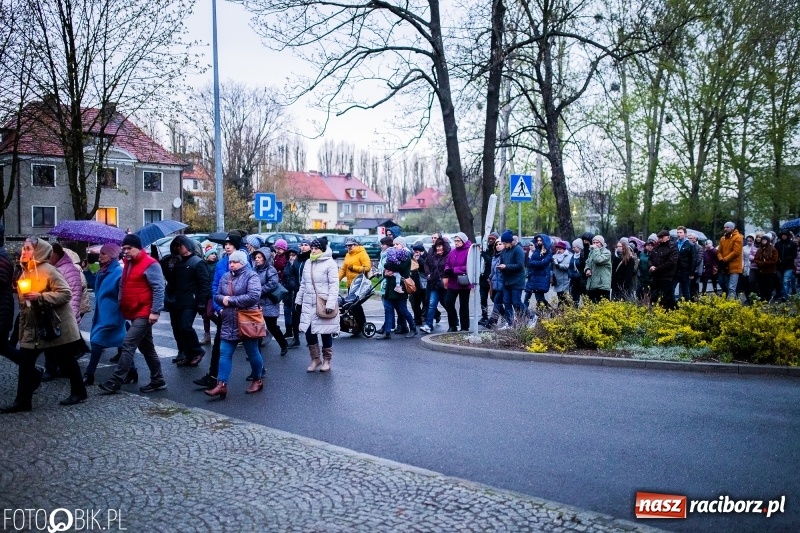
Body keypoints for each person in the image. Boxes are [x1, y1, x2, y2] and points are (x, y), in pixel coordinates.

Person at [1, 237, 87, 413]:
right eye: (23, 248)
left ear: (38, 251)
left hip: (55, 324)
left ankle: (79, 392)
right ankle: (23, 401)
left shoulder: (48, 270)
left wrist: (40, 297)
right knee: (26, 363)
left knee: (66, 360)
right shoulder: (25, 271)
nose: (22, 252)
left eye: (27, 249)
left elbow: (66, 294)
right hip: (34, 326)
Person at [98, 233, 167, 394]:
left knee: (127, 344)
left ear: (139, 248)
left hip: (144, 312)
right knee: (147, 348)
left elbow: (159, 288)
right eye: (124, 249)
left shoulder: (151, 264)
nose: (126, 251)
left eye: (129, 248)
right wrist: (121, 303)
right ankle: (158, 380)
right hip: (133, 311)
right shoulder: (128, 264)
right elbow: (123, 285)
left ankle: (116, 381)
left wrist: (155, 311)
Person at [204, 250, 265, 399]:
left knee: (252, 353)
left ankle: (257, 379)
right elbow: (217, 295)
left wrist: (229, 301)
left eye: (235, 262)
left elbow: (253, 296)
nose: (231, 264)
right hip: (228, 320)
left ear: (243, 263)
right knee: (224, 353)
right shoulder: (225, 277)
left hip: (247, 320)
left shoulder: (252, 276)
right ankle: (221, 385)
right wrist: (222, 302)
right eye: (230, 262)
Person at [193, 232, 248, 390]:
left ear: (237, 246)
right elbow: (215, 287)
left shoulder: (244, 262)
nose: (227, 247)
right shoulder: (220, 264)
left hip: (241, 312)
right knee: (220, 346)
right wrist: (219, 308)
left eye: (230, 244)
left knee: (251, 345)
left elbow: (249, 287)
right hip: (225, 312)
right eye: (225, 245)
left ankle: (258, 373)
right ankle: (214, 377)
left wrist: (236, 304)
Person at [41, 242, 86, 381]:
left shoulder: (68, 269)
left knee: (63, 348)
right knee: (53, 344)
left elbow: (74, 294)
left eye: (50, 255)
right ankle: (54, 369)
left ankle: (73, 381)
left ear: (56, 254)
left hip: (64, 315)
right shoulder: (52, 268)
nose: (47, 258)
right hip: (53, 313)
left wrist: (70, 317)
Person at [83, 243, 127, 386]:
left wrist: (119, 310)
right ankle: (132, 370)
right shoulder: (103, 271)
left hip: (113, 316)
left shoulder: (118, 273)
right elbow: (95, 285)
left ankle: (89, 374)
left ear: (113, 255)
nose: (100, 256)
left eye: (104, 254)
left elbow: (123, 295)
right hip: (103, 314)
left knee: (96, 342)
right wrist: (87, 271)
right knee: (122, 343)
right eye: (100, 253)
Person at [296, 238, 339, 372]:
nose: (313, 250)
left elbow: (334, 285)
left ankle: (327, 360)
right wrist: (298, 300)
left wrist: (331, 303)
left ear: (323, 249)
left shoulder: (330, 263)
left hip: (323, 303)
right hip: (309, 303)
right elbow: (303, 284)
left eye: (316, 248)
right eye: (312, 248)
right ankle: (315, 359)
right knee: (309, 332)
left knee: (325, 332)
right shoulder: (308, 262)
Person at [168, 235, 211, 368]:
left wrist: (202, 302)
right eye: (176, 247)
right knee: (179, 328)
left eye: (180, 246)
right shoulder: (178, 262)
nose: (178, 249)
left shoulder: (197, 262)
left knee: (185, 326)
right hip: (179, 300)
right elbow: (172, 281)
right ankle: (188, 353)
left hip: (191, 300)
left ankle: (197, 351)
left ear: (187, 246)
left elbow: (205, 283)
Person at [376, 239, 417, 339]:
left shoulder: (406, 255)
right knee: (388, 309)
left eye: (397, 244)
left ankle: (413, 328)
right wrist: (387, 269)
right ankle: (387, 332)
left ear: (403, 245)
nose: (395, 246)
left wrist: (388, 266)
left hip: (400, 288)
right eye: (394, 244)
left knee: (403, 310)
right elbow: (385, 265)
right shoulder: (392, 255)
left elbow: (399, 267)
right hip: (390, 287)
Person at [253, 246, 289, 358]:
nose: (257, 259)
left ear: (265, 258)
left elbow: (272, 284)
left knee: (272, 326)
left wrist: (259, 291)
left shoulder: (271, 270)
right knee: (257, 327)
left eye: (259, 257)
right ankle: (255, 352)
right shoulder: (254, 269)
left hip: (269, 302)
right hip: (257, 303)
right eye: (256, 257)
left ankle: (283, 344)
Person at [339, 237, 372, 334]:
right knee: (351, 306)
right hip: (351, 285)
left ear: (356, 245)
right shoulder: (347, 255)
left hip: (359, 285)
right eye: (347, 245)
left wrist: (354, 268)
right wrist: (337, 280)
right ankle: (355, 326)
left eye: (351, 245)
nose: (349, 247)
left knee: (356, 306)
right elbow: (343, 269)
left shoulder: (362, 253)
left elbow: (367, 268)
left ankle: (362, 325)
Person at [443, 232, 472, 332]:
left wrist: (455, 270)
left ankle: (464, 326)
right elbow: (447, 263)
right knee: (448, 302)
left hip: (464, 282)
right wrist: (447, 269)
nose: (456, 243)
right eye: (455, 241)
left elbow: (469, 266)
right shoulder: (453, 251)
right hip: (452, 282)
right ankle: (453, 324)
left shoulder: (469, 251)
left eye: (458, 241)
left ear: (463, 241)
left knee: (464, 305)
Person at [420, 238, 448, 333]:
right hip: (434, 283)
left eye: (440, 246)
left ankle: (454, 323)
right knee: (431, 304)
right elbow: (427, 264)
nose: (438, 248)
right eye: (437, 246)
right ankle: (428, 325)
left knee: (448, 304)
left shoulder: (448, 255)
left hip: (444, 285)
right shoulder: (433, 255)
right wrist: (429, 274)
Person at [498, 230, 526, 325]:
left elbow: (519, 265)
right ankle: (510, 323)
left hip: (517, 281)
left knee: (516, 302)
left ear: (510, 242)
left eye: (505, 243)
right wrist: (501, 267)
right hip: (507, 281)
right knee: (506, 302)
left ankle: (530, 316)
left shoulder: (518, 249)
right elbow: (502, 262)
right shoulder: (504, 251)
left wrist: (506, 266)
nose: (504, 245)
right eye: (503, 243)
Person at [649, 230, 678, 309]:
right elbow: (650, 258)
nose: (660, 239)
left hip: (667, 277)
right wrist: (651, 266)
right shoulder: (656, 247)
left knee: (665, 297)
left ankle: (668, 312)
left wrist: (657, 269)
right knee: (654, 296)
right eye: (659, 237)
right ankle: (654, 311)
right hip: (656, 276)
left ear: (668, 237)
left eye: (662, 237)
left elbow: (671, 263)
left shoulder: (672, 247)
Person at [717, 221, 743, 299]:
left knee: (732, 287)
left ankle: (731, 305)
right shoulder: (723, 238)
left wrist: (725, 259)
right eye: (724, 227)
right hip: (724, 267)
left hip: (734, 266)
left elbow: (736, 252)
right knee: (723, 284)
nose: (725, 229)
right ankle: (733, 301)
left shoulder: (738, 237)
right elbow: (719, 251)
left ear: (732, 228)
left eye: (727, 227)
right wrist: (721, 259)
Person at [478, 232, 499, 326]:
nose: (490, 240)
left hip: (492, 280)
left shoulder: (496, 251)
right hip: (483, 279)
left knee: (495, 299)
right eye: (489, 239)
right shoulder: (485, 249)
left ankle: (499, 316)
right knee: (483, 299)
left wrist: (483, 254)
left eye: (493, 239)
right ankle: (484, 316)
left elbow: (491, 262)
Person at [584, 235, 612, 303]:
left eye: (597, 242)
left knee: (603, 307)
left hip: (602, 285)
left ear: (602, 243)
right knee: (591, 307)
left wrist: (595, 249)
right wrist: (587, 269)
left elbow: (598, 260)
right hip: (592, 284)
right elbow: (587, 263)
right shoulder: (592, 252)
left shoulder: (607, 252)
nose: (595, 244)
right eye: (594, 242)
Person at [284, 246, 302, 346]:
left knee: (298, 315)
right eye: (290, 255)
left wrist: (295, 286)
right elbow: (286, 276)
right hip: (288, 292)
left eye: (293, 255)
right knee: (288, 312)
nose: (291, 257)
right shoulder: (288, 265)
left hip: (296, 292)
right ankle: (291, 333)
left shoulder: (299, 264)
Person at [674, 227, 698, 301]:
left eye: (680, 232)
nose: (679, 234)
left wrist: (691, 273)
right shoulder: (675, 244)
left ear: (685, 234)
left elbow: (693, 260)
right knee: (671, 288)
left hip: (685, 270)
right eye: (678, 232)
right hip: (675, 270)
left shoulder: (690, 245)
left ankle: (687, 305)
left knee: (685, 290)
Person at [200, 248, 219, 344]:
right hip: (204, 292)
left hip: (213, 292)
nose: (214, 256)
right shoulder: (203, 265)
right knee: (205, 316)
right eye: (211, 254)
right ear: (207, 256)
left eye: (215, 254)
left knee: (210, 313)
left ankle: (221, 325)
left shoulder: (217, 265)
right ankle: (207, 336)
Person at [754, 234, 779, 302]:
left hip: (770, 271)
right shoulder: (759, 249)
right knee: (761, 286)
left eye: (765, 240)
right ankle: (762, 299)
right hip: (761, 271)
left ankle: (768, 298)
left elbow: (774, 260)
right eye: (762, 240)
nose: (763, 241)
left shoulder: (773, 249)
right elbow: (755, 259)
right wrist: (760, 263)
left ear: (768, 241)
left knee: (769, 286)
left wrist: (764, 263)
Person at [487, 239, 506, 326]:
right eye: (497, 244)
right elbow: (493, 271)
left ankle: (492, 320)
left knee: (497, 301)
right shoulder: (495, 257)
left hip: (503, 283)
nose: (498, 246)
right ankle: (506, 316)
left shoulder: (505, 256)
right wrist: (490, 278)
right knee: (496, 300)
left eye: (500, 244)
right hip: (495, 283)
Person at [775, 230, 797, 301]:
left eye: (785, 235)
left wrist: (785, 259)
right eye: (782, 235)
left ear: (788, 236)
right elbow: (775, 254)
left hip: (788, 266)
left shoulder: (792, 244)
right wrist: (778, 259)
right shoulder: (777, 244)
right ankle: (783, 293)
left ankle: (784, 296)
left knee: (786, 280)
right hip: (779, 266)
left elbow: (794, 255)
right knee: (780, 281)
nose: (784, 236)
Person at [409, 242, 427, 326]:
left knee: (426, 303)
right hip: (416, 284)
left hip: (425, 284)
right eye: (414, 251)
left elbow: (425, 267)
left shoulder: (426, 256)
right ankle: (418, 318)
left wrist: (419, 259)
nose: (415, 253)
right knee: (414, 302)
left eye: (417, 251)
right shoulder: (413, 257)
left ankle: (436, 314)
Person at [551, 240, 572, 304]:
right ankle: (561, 312)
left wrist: (559, 265)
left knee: (566, 299)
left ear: (564, 249)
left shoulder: (570, 256)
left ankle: (565, 312)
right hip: (557, 280)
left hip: (566, 280)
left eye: (560, 249)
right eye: (557, 248)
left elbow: (569, 266)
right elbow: (552, 268)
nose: (558, 250)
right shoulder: (554, 257)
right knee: (560, 297)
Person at [568, 239, 584, 306]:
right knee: (574, 299)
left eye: (574, 247)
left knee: (585, 298)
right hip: (573, 280)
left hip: (580, 280)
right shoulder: (573, 256)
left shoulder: (582, 256)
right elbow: (570, 266)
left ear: (579, 247)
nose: (573, 249)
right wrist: (570, 275)